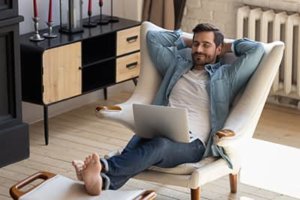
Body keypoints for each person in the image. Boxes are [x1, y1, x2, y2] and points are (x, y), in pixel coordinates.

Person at [72, 22, 265, 195]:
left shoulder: (226, 77)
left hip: (193, 143)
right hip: (160, 127)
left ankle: (103, 167)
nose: (199, 49)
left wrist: (227, 45)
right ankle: (101, 182)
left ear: (218, 49)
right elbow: (153, 39)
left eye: (206, 45)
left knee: (159, 146)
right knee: (142, 138)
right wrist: (189, 40)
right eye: (196, 44)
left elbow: (256, 51)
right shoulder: (176, 65)